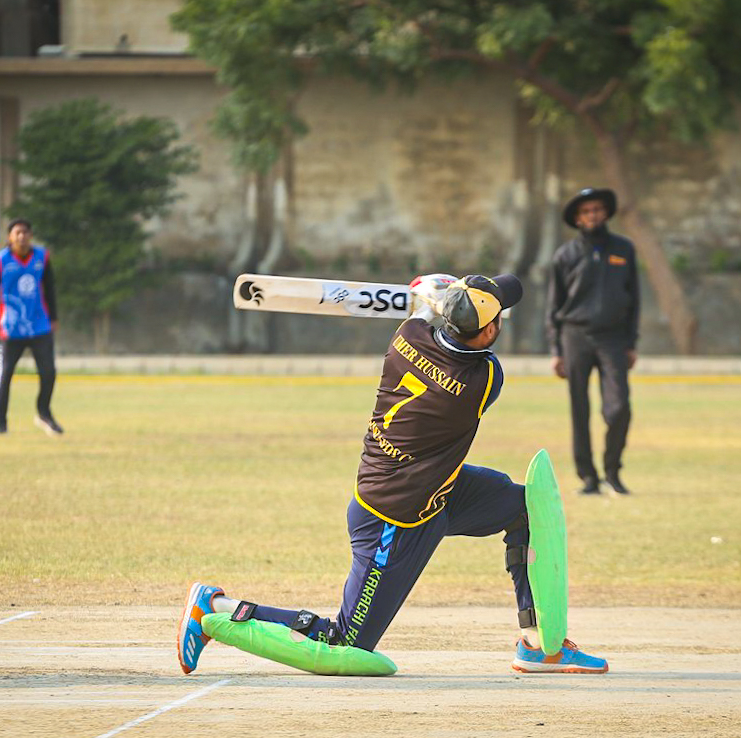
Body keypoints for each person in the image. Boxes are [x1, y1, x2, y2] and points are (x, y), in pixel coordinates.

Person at [180, 274, 609, 675]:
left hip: (437, 488)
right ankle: (215, 608)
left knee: (523, 508)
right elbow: (449, 330)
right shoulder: (481, 380)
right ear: (487, 332)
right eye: (497, 319)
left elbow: (428, 315)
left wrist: (434, 294)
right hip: (393, 517)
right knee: (345, 641)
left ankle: (538, 644)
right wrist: (436, 292)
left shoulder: (407, 335)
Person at [545, 188, 640, 496]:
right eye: (586, 211)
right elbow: (554, 306)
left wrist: (631, 342)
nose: (593, 215)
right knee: (579, 409)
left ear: (606, 213)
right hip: (574, 336)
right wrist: (556, 350)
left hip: (613, 338)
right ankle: (588, 477)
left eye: (597, 209)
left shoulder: (623, 249)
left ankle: (612, 471)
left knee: (619, 407)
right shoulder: (565, 255)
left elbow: (634, 299)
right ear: (577, 218)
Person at [0, 219, 64, 436]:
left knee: (48, 372)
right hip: (11, 328)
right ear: (10, 237)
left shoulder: (41, 257)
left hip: (39, 325)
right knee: (5, 374)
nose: (22, 236)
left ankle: (44, 413)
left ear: (30, 235)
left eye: (25, 232)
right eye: (17, 233)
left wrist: (53, 317)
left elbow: (49, 288)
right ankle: (1, 423)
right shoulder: (1, 259)